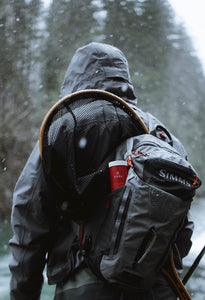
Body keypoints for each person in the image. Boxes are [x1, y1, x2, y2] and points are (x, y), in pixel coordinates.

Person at [9, 42, 194, 300]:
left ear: (75, 80)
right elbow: (182, 231)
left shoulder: (64, 129)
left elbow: (29, 223)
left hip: (85, 287)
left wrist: (23, 293)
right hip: (156, 288)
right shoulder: (165, 138)